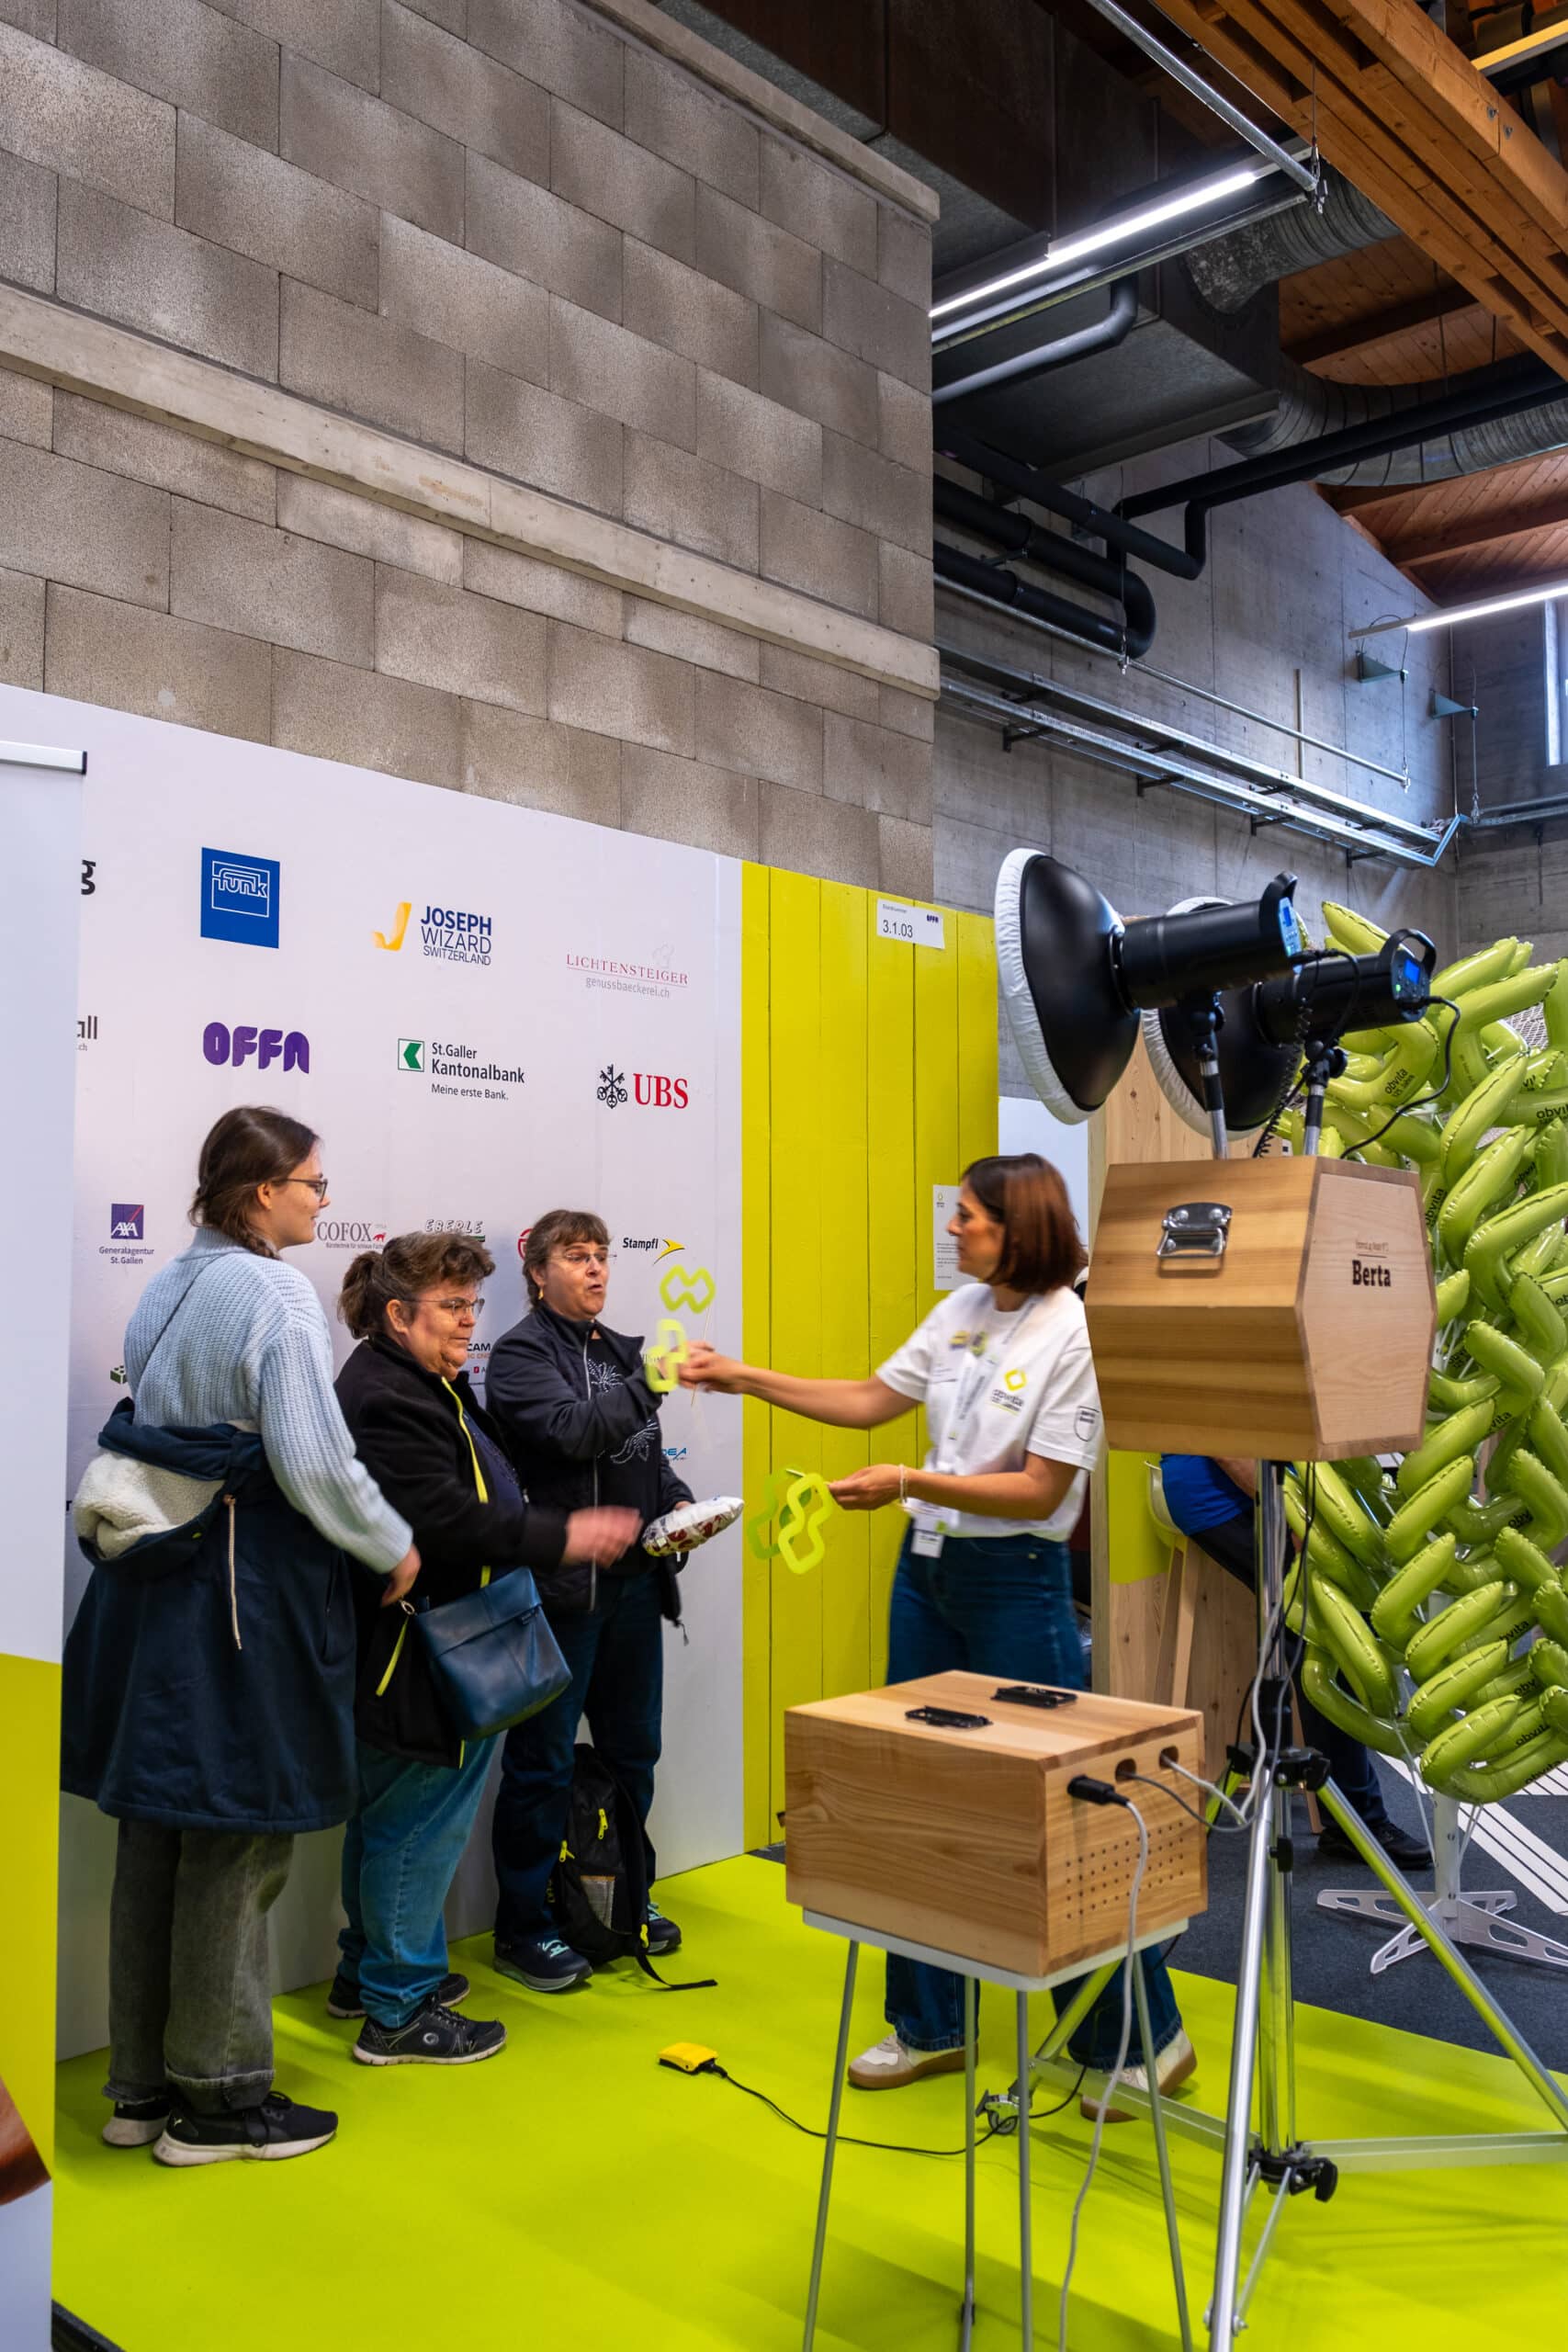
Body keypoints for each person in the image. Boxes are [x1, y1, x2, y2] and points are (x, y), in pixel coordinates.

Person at [682, 1153, 1195, 2113]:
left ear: (1018, 1225)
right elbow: (872, 1399)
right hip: (926, 1578)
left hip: (1018, 1585)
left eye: (966, 1217)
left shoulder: (1073, 1331)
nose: (953, 1229)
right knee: (912, 1789)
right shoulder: (961, 1311)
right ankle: (929, 2022)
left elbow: (1043, 1489)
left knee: (1061, 1809)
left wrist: (909, 1482)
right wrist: (747, 1378)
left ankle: (1142, 2038)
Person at [62, 1108, 420, 2166]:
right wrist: (392, 1543)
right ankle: (218, 2102)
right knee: (235, 1832)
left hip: (156, 1591)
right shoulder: (271, 1292)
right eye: (311, 1181)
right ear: (261, 1191)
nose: (322, 1197)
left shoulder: (168, 1281)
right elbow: (312, 1461)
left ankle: (140, 2091)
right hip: (236, 1591)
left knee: (159, 1834)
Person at [332, 1233, 638, 2064]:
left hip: (425, 1636)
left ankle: (367, 1972)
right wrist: (563, 1533)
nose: (471, 1323)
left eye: (474, 1306)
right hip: (425, 1647)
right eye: (453, 1307)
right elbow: (447, 1519)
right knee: (417, 1825)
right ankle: (398, 2010)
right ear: (398, 1314)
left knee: (391, 1816)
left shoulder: (416, 1379)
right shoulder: (389, 1394)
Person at [484, 1210, 696, 1991]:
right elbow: (574, 1434)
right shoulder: (515, 1357)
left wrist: (676, 1506)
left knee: (633, 1755)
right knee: (540, 1767)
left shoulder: (622, 1352)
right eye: (577, 1257)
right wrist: (649, 1382)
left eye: (603, 1256)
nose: (598, 1269)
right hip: (560, 1595)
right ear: (538, 1273)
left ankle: (624, 1901)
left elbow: (644, 1461)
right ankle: (525, 1927)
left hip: (637, 1590)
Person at [1158, 1455, 1430, 1869]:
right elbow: (1227, 1444)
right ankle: (1357, 1823)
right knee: (1324, 1636)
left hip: (1248, 1490)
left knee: (1309, 1633)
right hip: (1228, 1494)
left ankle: (1333, 1809)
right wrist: (1295, 1513)